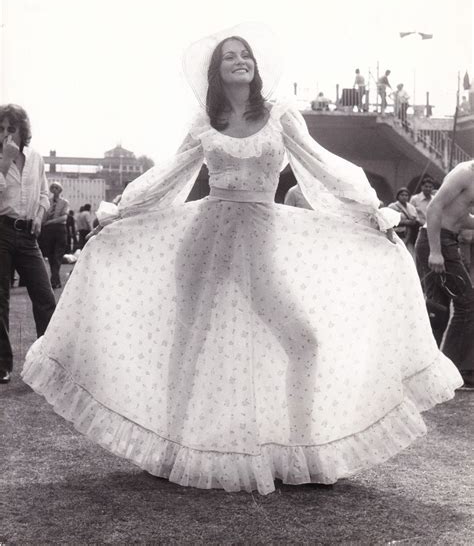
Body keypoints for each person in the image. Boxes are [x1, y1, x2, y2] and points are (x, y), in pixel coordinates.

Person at [22, 24, 461, 494]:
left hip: (260, 246)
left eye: (245, 54)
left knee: (303, 341)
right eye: (230, 56)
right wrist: (121, 212)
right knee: (188, 344)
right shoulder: (204, 121)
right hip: (204, 244)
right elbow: (171, 174)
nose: (240, 60)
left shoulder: (280, 115)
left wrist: (369, 210)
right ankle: (167, 449)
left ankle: (302, 450)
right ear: (217, 71)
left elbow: (319, 164)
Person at [0, 104, 56, 384]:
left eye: (11, 128)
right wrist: (4, 162)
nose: (6, 134)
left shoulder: (35, 158)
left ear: (23, 131)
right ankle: (2, 365)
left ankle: (47, 362)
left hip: (28, 234)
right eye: (1, 129)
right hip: (1, 230)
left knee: (44, 295)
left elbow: (45, 195)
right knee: (0, 299)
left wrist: (39, 215)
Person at [415, 161, 474, 389]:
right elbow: (434, 208)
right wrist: (436, 251)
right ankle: (455, 370)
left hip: (446, 240)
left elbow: (459, 216)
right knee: (467, 304)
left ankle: (429, 371)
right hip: (438, 241)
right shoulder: (464, 173)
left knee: (437, 308)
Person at [39, 181, 69, 289]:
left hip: (59, 230)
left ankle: (54, 280)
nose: (54, 190)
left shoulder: (65, 202)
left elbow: (64, 217)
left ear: (60, 190)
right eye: (53, 188)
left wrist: (50, 222)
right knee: (51, 256)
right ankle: (55, 280)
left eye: (57, 188)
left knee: (57, 256)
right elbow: (45, 215)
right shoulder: (48, 202)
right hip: (48, 231)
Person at [388, 187, 419, 256]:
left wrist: (412, 222)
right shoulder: (392, 206)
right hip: (398, 232)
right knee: (398, 252)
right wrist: (405, 222)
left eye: (406, 195)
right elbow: (389, 221)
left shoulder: (411, 207)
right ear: (398, 196)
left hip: (410, 234)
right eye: (402, 195)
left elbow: (415, 219)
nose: (404, 197)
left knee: (409, 253)